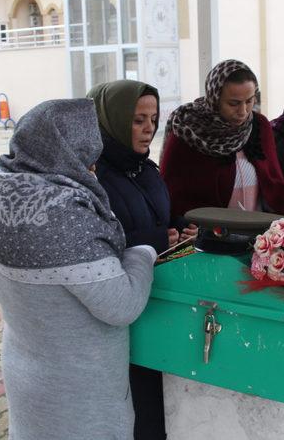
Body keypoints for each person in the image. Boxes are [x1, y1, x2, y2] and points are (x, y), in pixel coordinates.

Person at [0, 99, 157, 439]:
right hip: (78, 392)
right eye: (87, 156)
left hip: (25, 367)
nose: (92, 168)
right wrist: (143, 253)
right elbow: (121, 305)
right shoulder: (65, 215)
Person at [87, 80, 195, 440]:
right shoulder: (93, 177)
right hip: (122, 309)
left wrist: (181, 227)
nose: (149, 128)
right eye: (137, 120)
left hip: (157, 298)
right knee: (139, 404)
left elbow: (160, 217)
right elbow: (95, 246)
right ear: (112, 120)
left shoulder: (145, 169)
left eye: (153, 118)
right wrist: (153, 240)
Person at [160, 59, 284, 217]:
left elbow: (273, 181)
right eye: (233, 103)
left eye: (249, 101)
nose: (243, 111)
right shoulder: (188, 129)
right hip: (207, 232)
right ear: (215, 100)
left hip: (257, 230)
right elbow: (172, 193)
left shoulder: (259, 125)